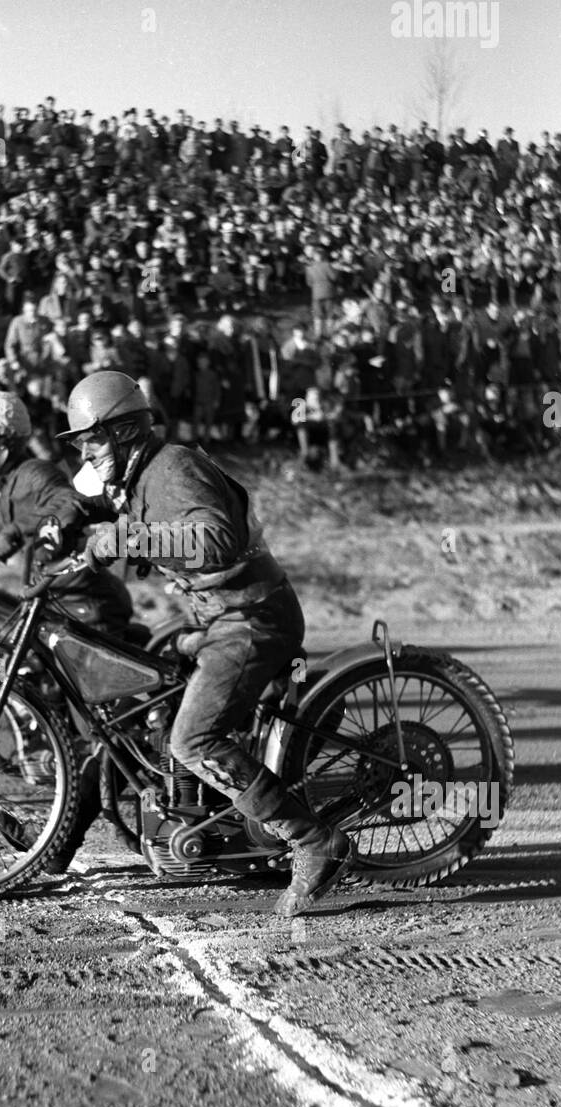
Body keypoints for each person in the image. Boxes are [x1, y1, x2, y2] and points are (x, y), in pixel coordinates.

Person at [59, 370, 352, 917]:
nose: (85, 451)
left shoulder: (172, 468)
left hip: (252, 620)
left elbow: (215, 538)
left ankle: (313, 840)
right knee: (152, 692)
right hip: (223, 618)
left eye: (90, 439)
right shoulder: (144, 480)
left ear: (122, 432)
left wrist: (126, 537)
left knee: (192, 740)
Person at [0, 389, 137, 874]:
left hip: (83, 606)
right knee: (71, 712)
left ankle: (61, 833)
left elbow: (66, 504)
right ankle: (51, 760)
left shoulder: (36, 474)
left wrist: (33, 531)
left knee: (106, 732)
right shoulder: (3, 480)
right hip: (53, 599)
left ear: (4, 442)